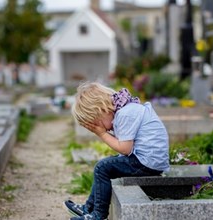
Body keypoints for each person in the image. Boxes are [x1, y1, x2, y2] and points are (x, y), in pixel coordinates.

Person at [64, 82, 170, 220]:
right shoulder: (126, 109)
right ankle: (88, 208)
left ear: (101, 109)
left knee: (102, 167)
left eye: (98, 123)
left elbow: (125, 149)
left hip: (147, 162)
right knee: (106, 166)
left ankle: (98, 215)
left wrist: (102, 134)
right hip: (149, 160)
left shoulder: (125, 114)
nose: (103, 129)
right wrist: (103, 132)